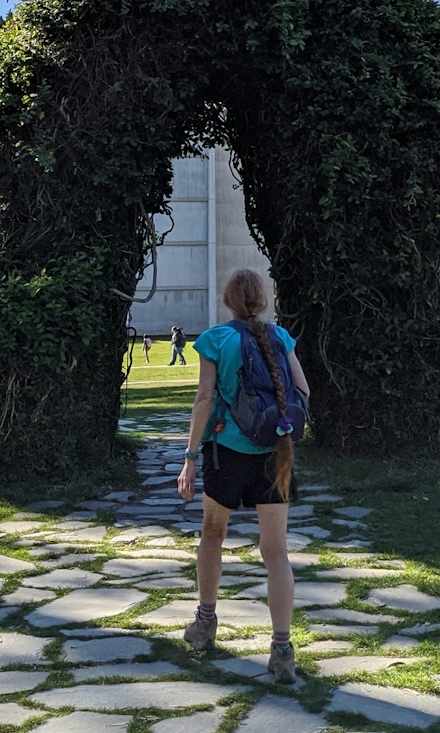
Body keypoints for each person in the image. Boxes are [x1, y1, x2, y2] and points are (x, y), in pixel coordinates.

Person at [177, 268, 311, 684]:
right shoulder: (282, 337)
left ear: (229, 300)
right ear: (264, 300)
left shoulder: (216, 339)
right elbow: (303, 392)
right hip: (276, 455)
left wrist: (190, 455)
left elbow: (203, 398)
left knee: (212, 535)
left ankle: (205, 623)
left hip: (227, 453)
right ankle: (282, 648)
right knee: (276, 552)